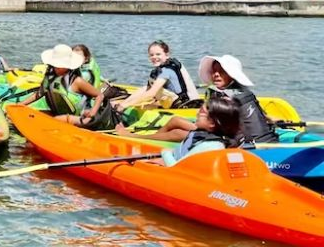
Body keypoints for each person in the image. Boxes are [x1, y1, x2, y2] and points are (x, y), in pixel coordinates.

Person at [115, 54, 278, 145]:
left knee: (178, 131)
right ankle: (151, 142)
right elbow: (261, 116)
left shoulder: (229, 98)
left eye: (221, 71)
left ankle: (136, 138)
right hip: (230, 133)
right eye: (214, 71)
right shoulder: (245, 93)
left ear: (232, 75)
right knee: (176, 120)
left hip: (237, 142)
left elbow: (220, 128)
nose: (215, 74)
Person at [20, 45, 111, 130]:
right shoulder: (50, 77)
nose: (57, 68)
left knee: (56, 120)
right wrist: (21, 104)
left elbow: (100, 95)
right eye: (56, 65)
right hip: (58, 114)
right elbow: (39, 94)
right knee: (28, 116)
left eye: (61, 65)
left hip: (79, 117)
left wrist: (92, 114)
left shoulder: (77, 81)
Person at [114, 40, 198, 112]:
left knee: (148, 97)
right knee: (146, 89)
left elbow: (151, 93)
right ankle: (122, 104)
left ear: (167, 54)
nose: (154, 57)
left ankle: (122, 106)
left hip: (184, 106)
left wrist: (126, 105)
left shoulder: (166, 70)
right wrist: (124, 103)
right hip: (175, 101)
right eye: (151, 55)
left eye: (158, 54)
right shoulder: (164, 67)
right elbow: (147, 89)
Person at [158, 97, 241, 166]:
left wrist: (165, 152)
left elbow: (175, 168)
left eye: (201, 111)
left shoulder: (209, 146)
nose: (197, 113)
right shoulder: (201, 136)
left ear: (212, 123)